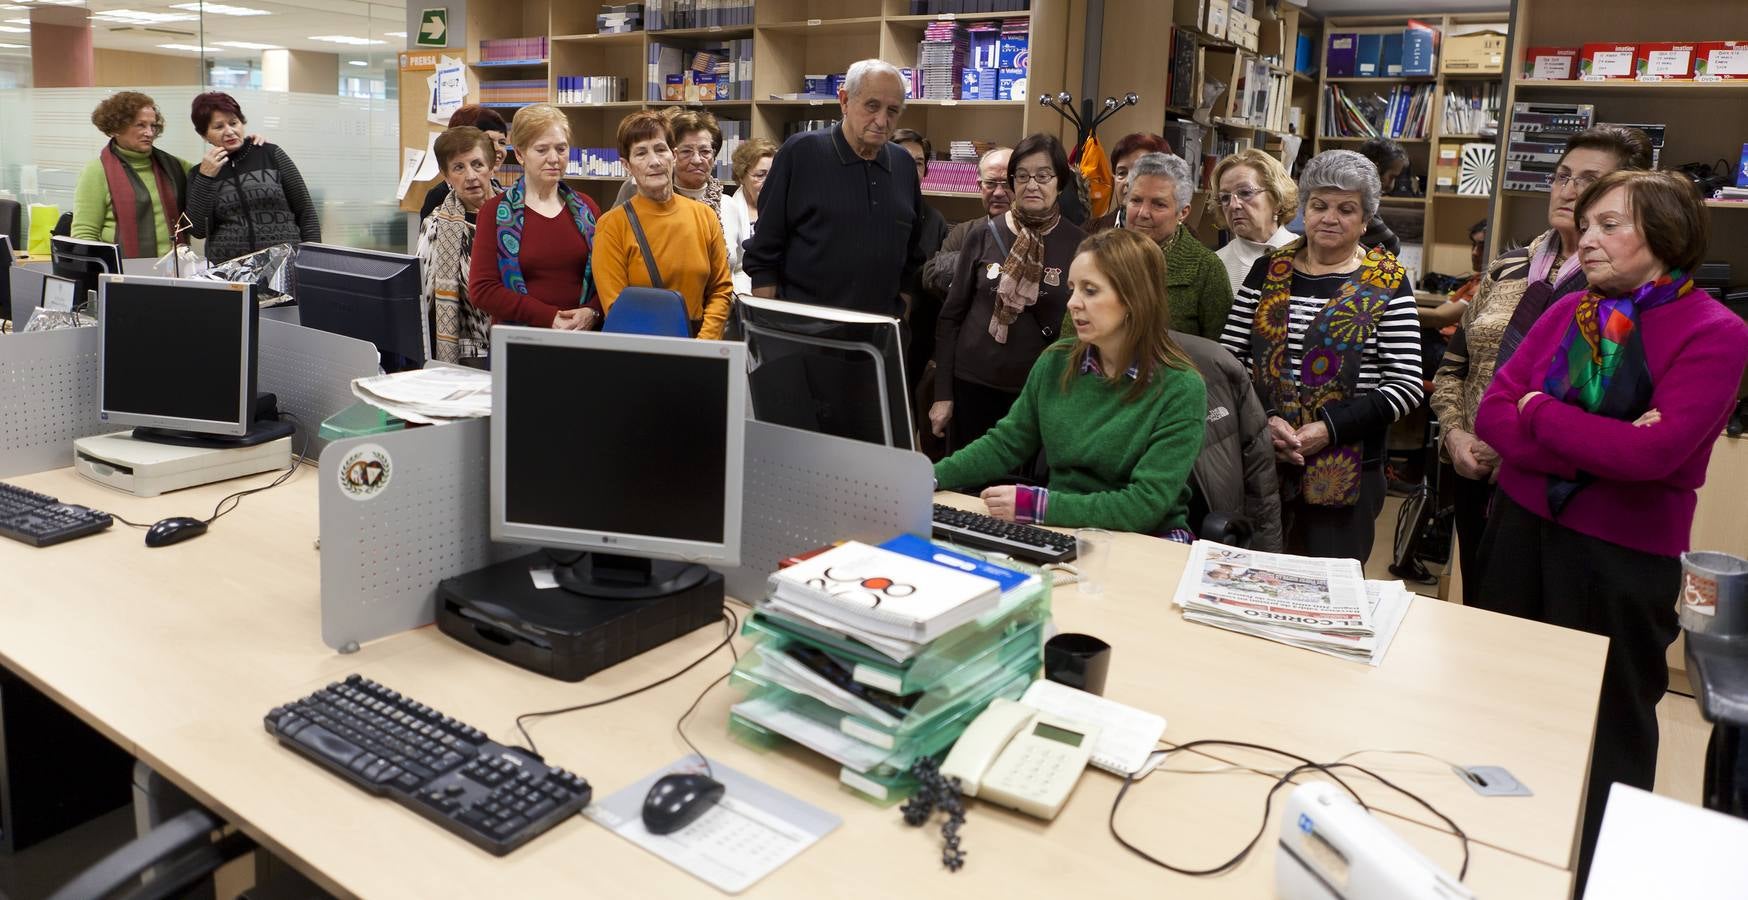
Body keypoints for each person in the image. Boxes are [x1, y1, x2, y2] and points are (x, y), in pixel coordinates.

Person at [1473, 169, 1748, 887]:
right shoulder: (1572, 313)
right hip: (1523, 533)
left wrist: (1541, 411)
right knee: (1502, 704)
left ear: (1665, 234)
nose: (1585, 239)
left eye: (1608, 225)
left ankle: (1593, 875)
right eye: (1585, 224)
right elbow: (1492, 416)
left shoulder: (1717, 333)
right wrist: (1598, 432)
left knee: (1608, 728)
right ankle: (1500, 858)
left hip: (1622, 558)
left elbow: (1654, 454)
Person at [1429, 125, 1651, 607]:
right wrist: (1454, 435)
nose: (1569, 189)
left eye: (1589, 180)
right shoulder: (1506, 267)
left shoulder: (1618, 288)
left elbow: (1601, 407)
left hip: (1554, 489)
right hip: (1470, 470)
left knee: (1545, 629)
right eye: (1562, 176)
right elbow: (1453, 368)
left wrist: (1511, 454)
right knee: (1483, 614)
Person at [934, 228, 1207, 535]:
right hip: (1061, 527)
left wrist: (1037, 506)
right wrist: (931, 477)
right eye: (1073, 288)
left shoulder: (1181, 387)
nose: (1072, 303)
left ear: (1134, 298)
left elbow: (1145, 505)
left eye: (1090, 291)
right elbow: (1006, 443)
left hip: (1148, 539)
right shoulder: (1056, 361)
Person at [1219, 149, 1422, 561]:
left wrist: (1327, 429)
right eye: (1319, 205)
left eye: (1346, 209)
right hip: (1264, 461)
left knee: (1328, 593)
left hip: (1348, 471)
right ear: (1303, 211)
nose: (1330, 218)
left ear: (1366, 220)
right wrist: (1267, 419)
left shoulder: (1388, 281)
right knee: (1255, 580)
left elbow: (1405, 385)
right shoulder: (1269, 269)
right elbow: (1229, 360)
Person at [932, 133, 1087, 452]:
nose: (1032, 184)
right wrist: (942, 395)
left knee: (1019, 494)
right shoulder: (982, 234)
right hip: (972, 385)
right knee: (965, 490)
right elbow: (950, 317)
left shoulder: (1079, 244)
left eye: (1043, 175)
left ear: (1059, 182)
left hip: (1039, 393)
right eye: (1023, 175)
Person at [741, 58, 925, 317]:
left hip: (877, 337)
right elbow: (764, 251)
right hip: (804, 332)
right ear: (844, 101)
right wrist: (770, 324)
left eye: (892, 111)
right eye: (872, 106)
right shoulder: (801, 153)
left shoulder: (904, 164)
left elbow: (912, 255)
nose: (882, 121)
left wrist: (901, 319)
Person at [590, 111, 734, 340]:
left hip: (700, 346)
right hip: (641, 350)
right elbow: (617, 307)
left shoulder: (704, 216)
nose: (654, 161)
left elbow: (720, 289)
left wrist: (703, 344)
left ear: (673, 155)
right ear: (626, 165)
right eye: (641, 153)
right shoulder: (612, 226)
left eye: (660, 149)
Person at [467, 104, 602, 331]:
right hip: (522, 343)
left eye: (561, 149)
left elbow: (608, 279)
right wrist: (548, 317)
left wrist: (593, 312)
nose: (554, 159)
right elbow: (483, 289)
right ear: (520, 154)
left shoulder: (587, 208)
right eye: (541, 150)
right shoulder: (495, 212)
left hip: (583, 340)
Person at [1175, 331, 1285, 551]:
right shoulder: (1087, 375)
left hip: (1212, 545)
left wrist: (1265, 560)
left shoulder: (1214, 362)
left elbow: (1261, 484)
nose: (1083, 303)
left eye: (1092, 293)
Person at [182, 92, 320, 264]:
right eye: (218, 127)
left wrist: (313, 260)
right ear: (204, 135)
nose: (230, 131)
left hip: (283, 266)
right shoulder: (199, 174)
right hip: (229, 272)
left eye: (234, 123)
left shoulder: (270, 154)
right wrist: (206, 177)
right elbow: (198, 230)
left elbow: (306, 212)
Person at [1119, 152, 1233, 340]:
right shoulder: (1100, 257)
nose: (1143, 213)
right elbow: (1071, 339)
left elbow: (1218, 357)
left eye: (1158, 204)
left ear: (1183, 212)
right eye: (1136, 200)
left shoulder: (1207, 269)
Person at [72, 92, 191, 259]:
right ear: (116, 127)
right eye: (140, 125)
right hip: (120, 273)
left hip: (176, 270)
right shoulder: (97, 171)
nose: (149, 133)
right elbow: (84, 234)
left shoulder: (175, 166)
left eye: (153, 126)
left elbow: (209, 178)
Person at [418, 127, 498, 363]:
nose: (471, 176)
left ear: (491, 167)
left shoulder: (514, 213)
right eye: (458, 168)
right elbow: (422, 299)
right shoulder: (434, 225)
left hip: (517, 337)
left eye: (477, 164)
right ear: (446, 176)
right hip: (466, 350)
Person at [921, 147, 1012, 298]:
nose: (998, 192)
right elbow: (931, 276)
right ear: (979, 186)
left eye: (1007, 184)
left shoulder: (1034, 234)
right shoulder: (963, 232)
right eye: (990, 183)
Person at [1210, 149, 1299, 295]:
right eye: (1225, 197)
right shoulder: (1215, 265)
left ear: (1277, 199)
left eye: (1245, 193)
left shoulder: (1309, 255)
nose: (1233, 205)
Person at [612, 108, 725, 215]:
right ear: (673, 154)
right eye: (686, 151)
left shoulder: (728, 207)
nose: (696, 160)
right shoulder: (635, 188)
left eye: (705, 151)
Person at [420, 106, 508, 223]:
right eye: (489, 141)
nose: (497, 149)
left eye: (502, 142)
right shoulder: (440, 197)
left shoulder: (497, 189)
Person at [719, 137, 777, 295]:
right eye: (760, 175)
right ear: (741, 177)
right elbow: (732, 268)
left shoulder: (785, 207)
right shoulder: (728, 209)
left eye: (774, 175)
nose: (769, 182)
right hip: (740, 296)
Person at [1085, 132, 1171, 233]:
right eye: (1122, 173)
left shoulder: (1189, 242)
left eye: (1139, 172)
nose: (1128, 181)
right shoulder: (1090, 231)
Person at [1355, 137, 1405, 256]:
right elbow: (1392, 246)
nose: (1391, 186)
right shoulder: (1356, 195)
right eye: (1391, 177)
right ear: (1376, 168)